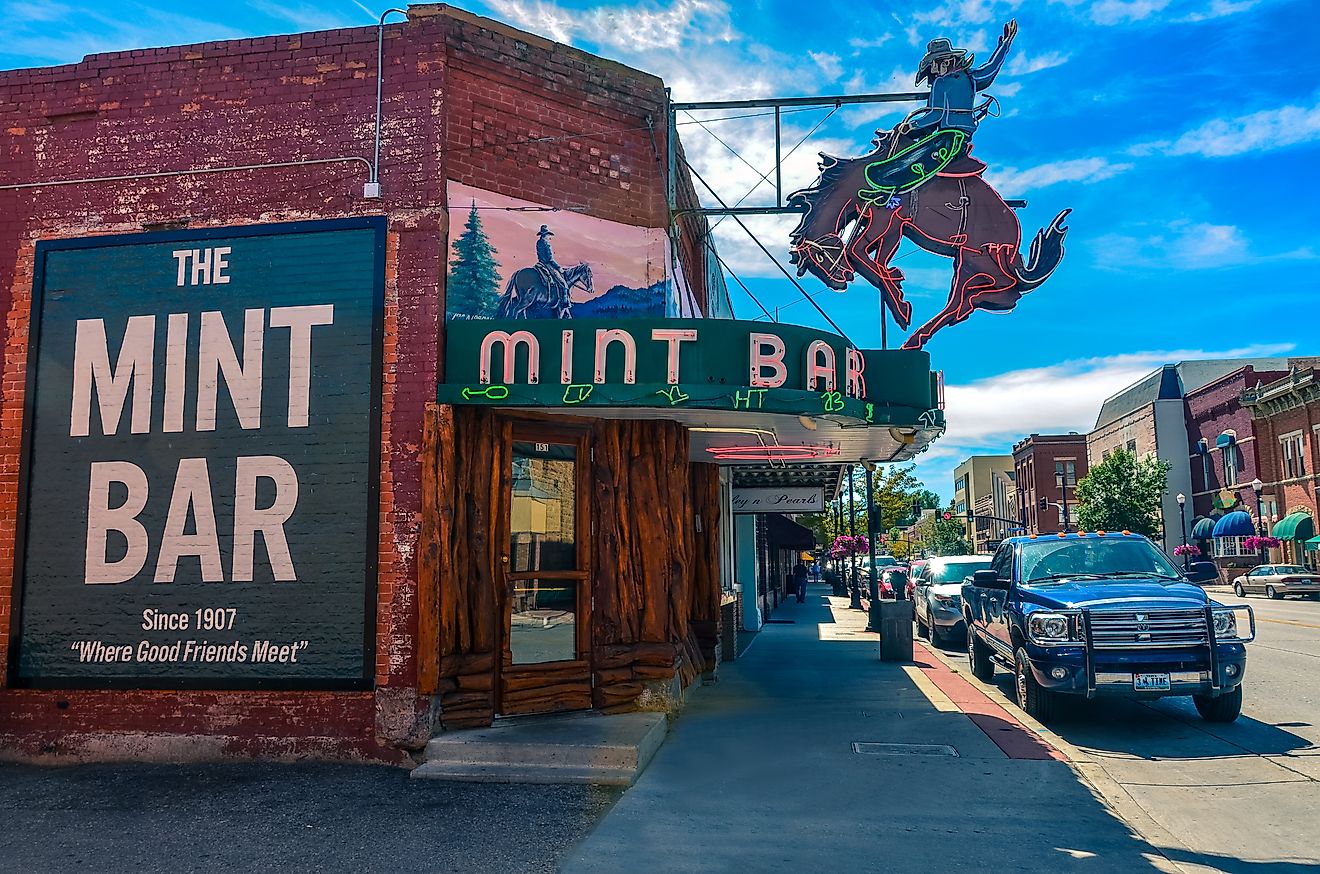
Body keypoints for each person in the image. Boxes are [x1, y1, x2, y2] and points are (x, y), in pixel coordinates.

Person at [534, 225, 570, 310]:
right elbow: (550, 259)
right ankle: (565, 303)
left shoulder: (539, 242)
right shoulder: (547, 244)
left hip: (540, 263)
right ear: (545, 235)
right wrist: (558, 268)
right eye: (548, 235)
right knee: (564, 284)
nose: (549, 237)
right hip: (548, 265)